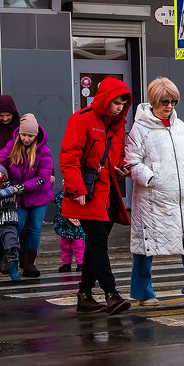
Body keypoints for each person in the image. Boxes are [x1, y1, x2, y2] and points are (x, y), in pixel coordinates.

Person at [124, 77, 184, 307]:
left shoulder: (179, 125)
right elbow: (131, 162)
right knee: (146, 245)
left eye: (174, 101)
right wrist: (151, 178)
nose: (170, 106)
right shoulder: (140, 129)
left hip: (181, 198)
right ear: (154, 100)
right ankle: (142, 293)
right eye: (165, 101)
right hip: (153, 200)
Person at [59, 77, 133, 315]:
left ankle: (84, 295)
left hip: (109, 193)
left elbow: (115, 157)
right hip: (88, 193)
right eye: (116, 102)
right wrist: (77, 189)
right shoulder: (81, 120)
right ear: (105, 99)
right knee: (98, 242)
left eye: (123, 102)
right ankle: (111, 294)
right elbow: (69, 157)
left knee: (94, 245)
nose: (120, 107)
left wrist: (121, 167)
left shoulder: (117, 126)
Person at [0, 113, 53, 278]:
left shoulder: (43, 150)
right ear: (19, 133)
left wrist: (22, 187)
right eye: (24, 135)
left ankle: (28, 263)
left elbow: (43, 176)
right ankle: (8, 258)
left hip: (38, 195)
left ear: (36, 135)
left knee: (34, 228)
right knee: (16, 225)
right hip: (17, 195)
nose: (26, 139)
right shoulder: (11, 146)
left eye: (30, 136)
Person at [0, 165, 40, 282]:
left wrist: (7, 191)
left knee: (12, 245)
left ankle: (13, 271)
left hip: (9, 222)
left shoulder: (12, 188)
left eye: (2, 175)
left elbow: (22, 188)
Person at [52, 190, 85, 272]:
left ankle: (80, 263)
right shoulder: (61, 195)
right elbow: (51, 197)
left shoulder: (80, 194)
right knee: (65, 245)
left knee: (78, 245)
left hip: (77, 225)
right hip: (64, 225)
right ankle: (66, 264)